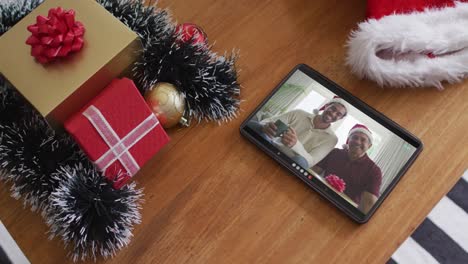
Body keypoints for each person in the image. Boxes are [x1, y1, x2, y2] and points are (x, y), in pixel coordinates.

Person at [247, 96, 348, 168]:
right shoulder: (299, 113)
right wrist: (266, 126)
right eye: (333, 108)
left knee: (301, 162)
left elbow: (311, 161)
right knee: (252, 124)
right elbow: (267, 121)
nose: (333, 113)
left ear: (340, 118)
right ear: (326, 106)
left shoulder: (332, 139)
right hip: (269, 144)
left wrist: (295, 145)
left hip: (289, 161)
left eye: (338, 114)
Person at [313, 124, 382, 213]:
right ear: (348, 140)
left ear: (369, 146)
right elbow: (314, 171)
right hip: (319, 195)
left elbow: (368, 204)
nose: (357, 142)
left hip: (344, 210)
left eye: (363, 140)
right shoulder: (334, 152)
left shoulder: (374, 171)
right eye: (355, 137)